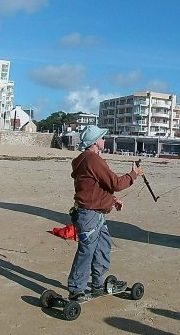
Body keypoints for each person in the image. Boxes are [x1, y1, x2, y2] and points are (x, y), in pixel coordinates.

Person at [67, 125, 143, 300]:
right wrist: (133, 174)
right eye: (102, 138)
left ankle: (97, 284)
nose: (104, 140)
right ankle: (76, 289)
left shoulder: (87, 160)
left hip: (95, 214)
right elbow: (115, 183)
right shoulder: (92, 160)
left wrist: (112, 200)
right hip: (89, 215)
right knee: (86, 251)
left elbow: (93, 187)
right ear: (94, 142)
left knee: (103, 246)